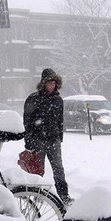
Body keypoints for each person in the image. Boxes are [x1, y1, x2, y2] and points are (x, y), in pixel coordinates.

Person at [23, 68, 74, 206]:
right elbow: (27, 121)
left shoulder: (58, 100)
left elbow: (60, 120)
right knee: (38, 169)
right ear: (43, 83)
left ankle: (64, 195)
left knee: (58, 168)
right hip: (38, 140)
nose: (52, 85)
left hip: (53, 140)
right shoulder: (33, 99)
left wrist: (59, 137)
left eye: (54, 83)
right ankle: (36, 194)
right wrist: (29, 140)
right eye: (49, 83)